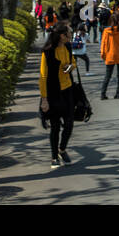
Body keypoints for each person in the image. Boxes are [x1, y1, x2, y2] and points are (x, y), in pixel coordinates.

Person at [39, 21, 76, 167]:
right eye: (69, 34)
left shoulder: (67, 47)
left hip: (68, 90)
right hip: (53, 93)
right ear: (62, 36)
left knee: (69, 124)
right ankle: (54, 156)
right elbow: (42, 77)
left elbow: (73, 62)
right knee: (55, 127)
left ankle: (62, 148)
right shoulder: (47, 52)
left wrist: (70, 67)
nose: (71, 36)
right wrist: (44, 99)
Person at [100, 12, 119, 100]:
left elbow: (103, 44)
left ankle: (103, 94)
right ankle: (118, 93)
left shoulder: (106, 31)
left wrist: (103, 55)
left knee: (107, 76)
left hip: (110, 55)